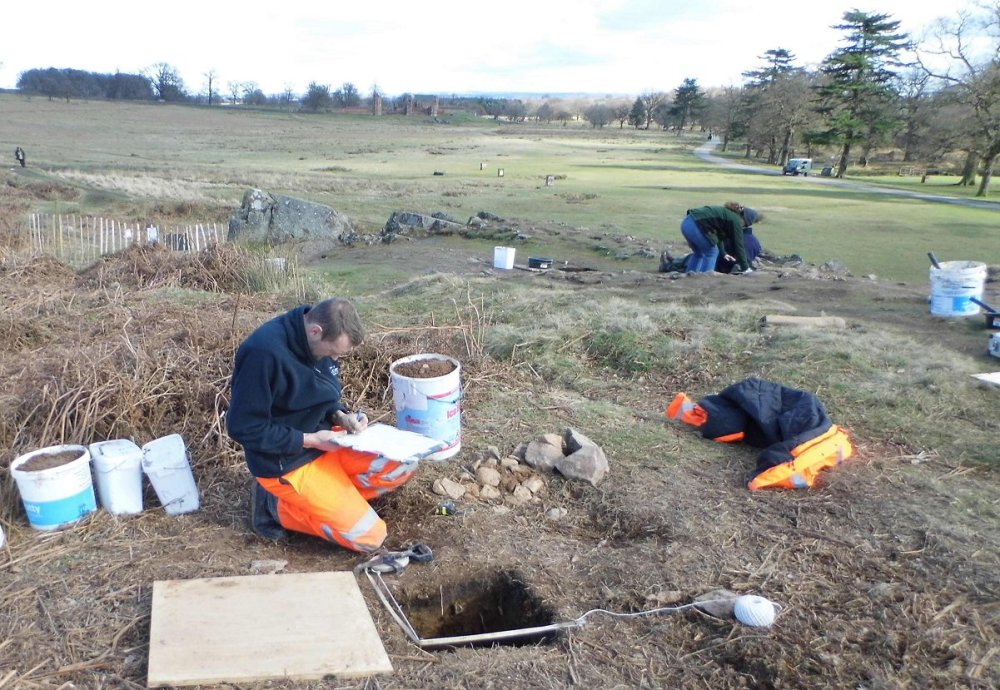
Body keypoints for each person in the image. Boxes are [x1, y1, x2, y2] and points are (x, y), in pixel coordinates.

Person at [227, 298, 415, 552]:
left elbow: (321, 395)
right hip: (286, 462)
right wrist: (311, 440)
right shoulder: (264, 354)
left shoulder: (319, 341)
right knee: (369, 536)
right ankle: (274, 505)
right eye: (333, 352)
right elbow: (243, 427)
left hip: (328, 444)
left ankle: (331, 498)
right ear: (315, 331)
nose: (335, 358)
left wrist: (341, 416)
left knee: (402, 463)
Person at [663, 205, 762, 274]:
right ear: (745, 222)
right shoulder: (736, 222)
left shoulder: (728, 216)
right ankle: (705, 279)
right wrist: (746, 269)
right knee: (711, 252)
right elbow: (738, 245)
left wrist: (723, 253)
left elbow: (719, 237)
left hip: (687, 222)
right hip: (695, 225)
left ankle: (690, 276)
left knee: (700, 253)